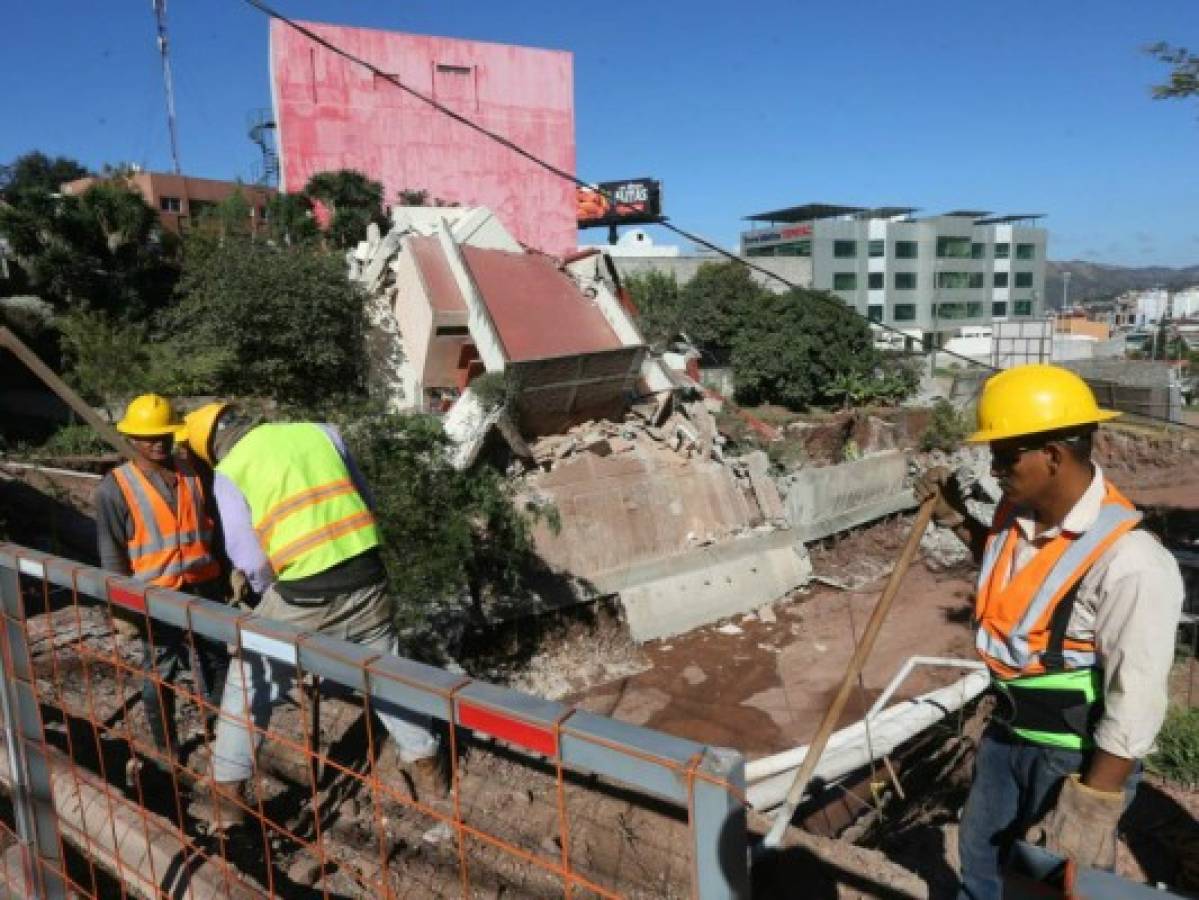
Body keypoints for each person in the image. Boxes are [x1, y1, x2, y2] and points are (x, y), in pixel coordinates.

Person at [915, 365, 1184, 899]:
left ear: (1053, 456)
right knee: (981, 865)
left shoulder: (1130, 560)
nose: (994, 469)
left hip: (1071, 758)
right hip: (1005, 738)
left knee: (1048, 888)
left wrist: (1092, 804)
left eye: (1005, 455)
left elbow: (1137, 698)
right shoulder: (1016, 515)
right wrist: (955, 518)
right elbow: (1013, 575)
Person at [182, 402, 445, 832]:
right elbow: (366, 500)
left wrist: (268, 588)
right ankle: (428, 767)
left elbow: (249, 559)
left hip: (303, 597)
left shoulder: (231, 470)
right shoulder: (322, 431)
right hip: (368, 580)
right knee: (388, 674)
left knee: (249, 677)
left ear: (209, 449)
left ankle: (227, 795)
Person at [95, 393, 228, 766]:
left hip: (204, 584)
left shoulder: (195, 472)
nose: (158, 443)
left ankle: (219, 727)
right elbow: (112, 553)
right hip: (156, 596)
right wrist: (120, 605)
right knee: (161, 669)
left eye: (164, 435)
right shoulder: (114, 488)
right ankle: (166, 747)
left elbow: (215, 528)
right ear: (131, 439)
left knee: (217, 657)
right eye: (148, 437)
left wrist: (230, 572)